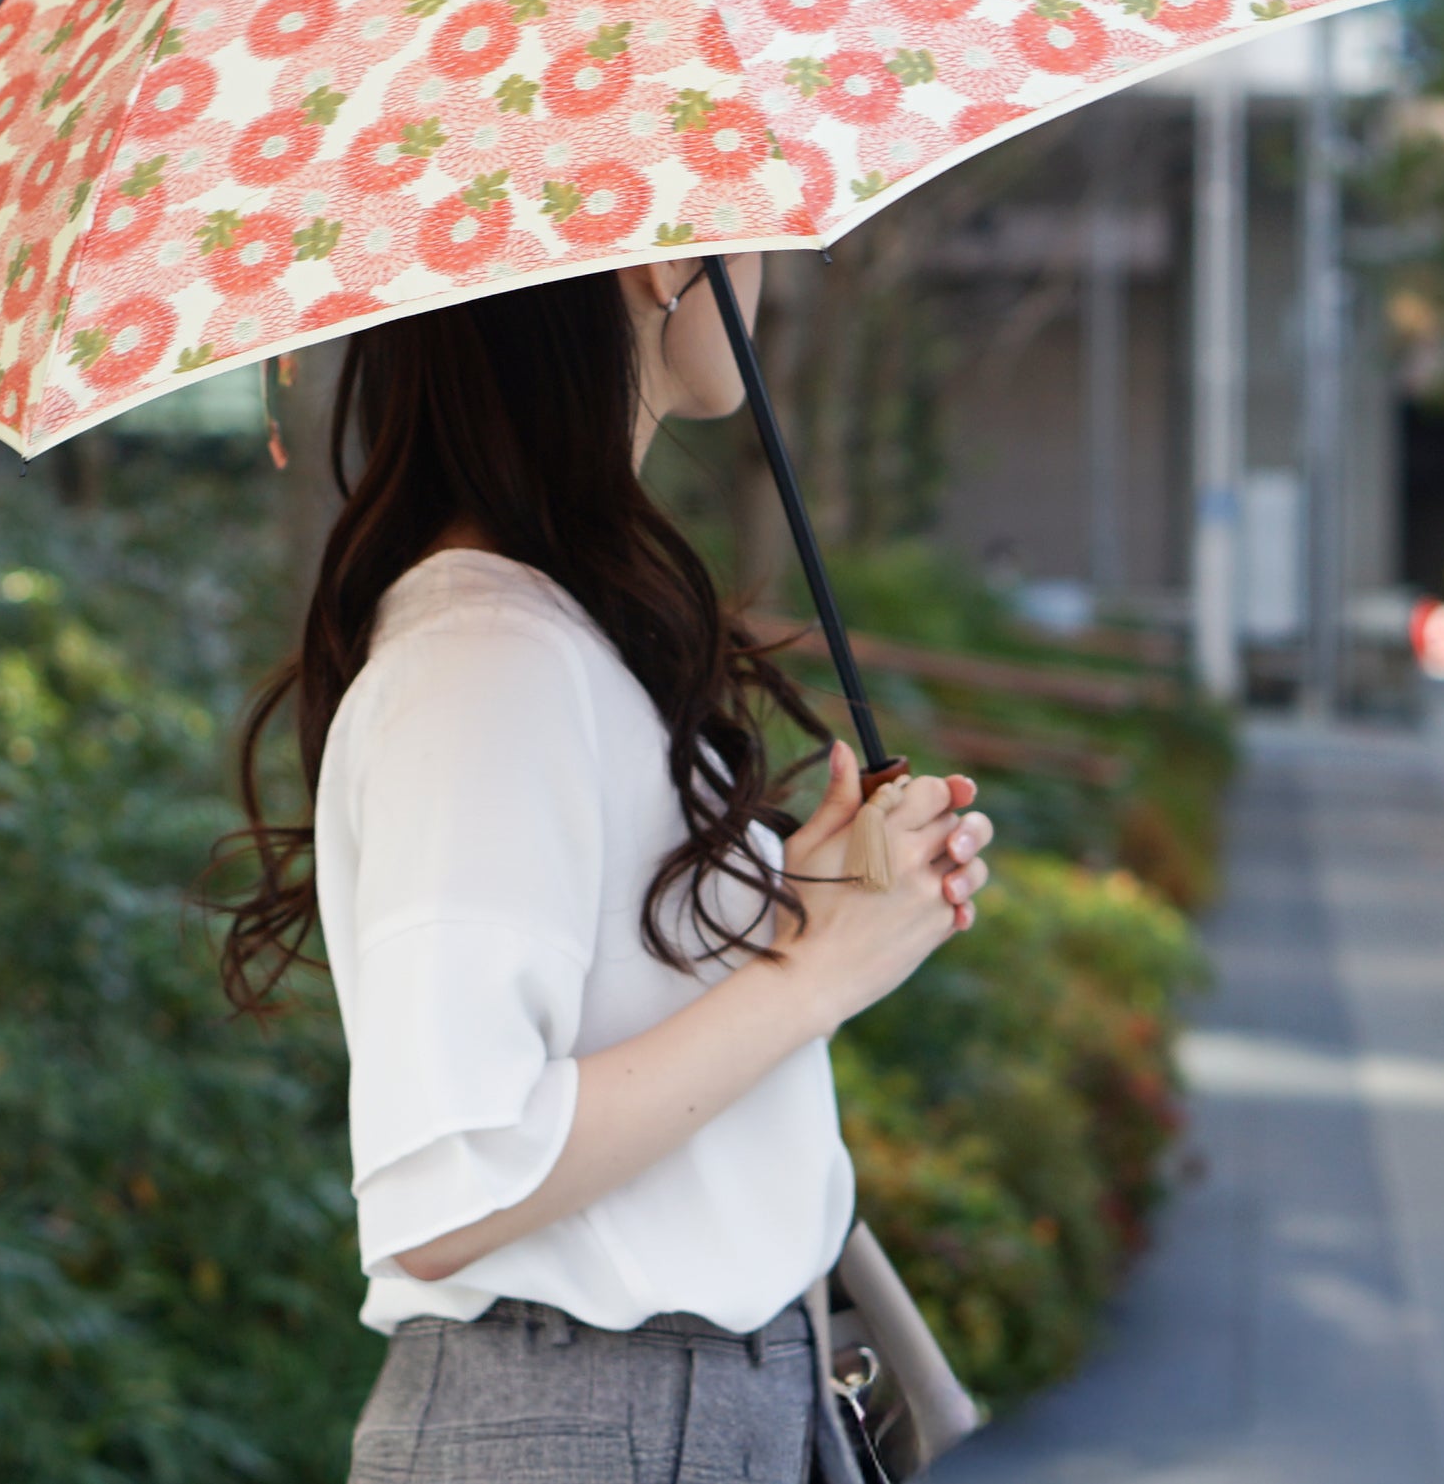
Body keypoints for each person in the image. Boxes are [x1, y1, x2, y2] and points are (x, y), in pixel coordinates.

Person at [210, 253, 995, 1484]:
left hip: (664, 1410)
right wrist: (807, 976)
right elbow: (449, 1181)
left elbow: (603, 1010)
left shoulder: (554, 631)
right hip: (590, 1420)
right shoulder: (486, 661)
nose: (768, 268)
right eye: (745, 228)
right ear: (661, 261)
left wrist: (802, 904)